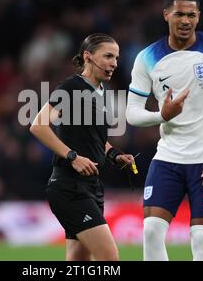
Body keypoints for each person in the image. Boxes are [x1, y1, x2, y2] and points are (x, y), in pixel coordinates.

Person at [126, 0, 203, 261]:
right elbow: (132, 114)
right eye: (179, 14)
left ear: (199, 17)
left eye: (191, 15)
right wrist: (162, 116)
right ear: (165, 14)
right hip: (168, 157)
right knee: (151, 231)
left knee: (202, 241)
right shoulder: (146, 58)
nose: (185, 20)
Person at [30, 33, 135, 261]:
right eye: (107, 56)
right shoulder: (72, 87)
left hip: (92, 187)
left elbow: (97, 140)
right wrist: (72, 156)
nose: (113, 63)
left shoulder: (101, 93)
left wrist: (115, 155)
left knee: (78, 261)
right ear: (88, 56)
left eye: (116, 58)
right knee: (109, 259)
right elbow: (38, 125)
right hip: (69, 187)